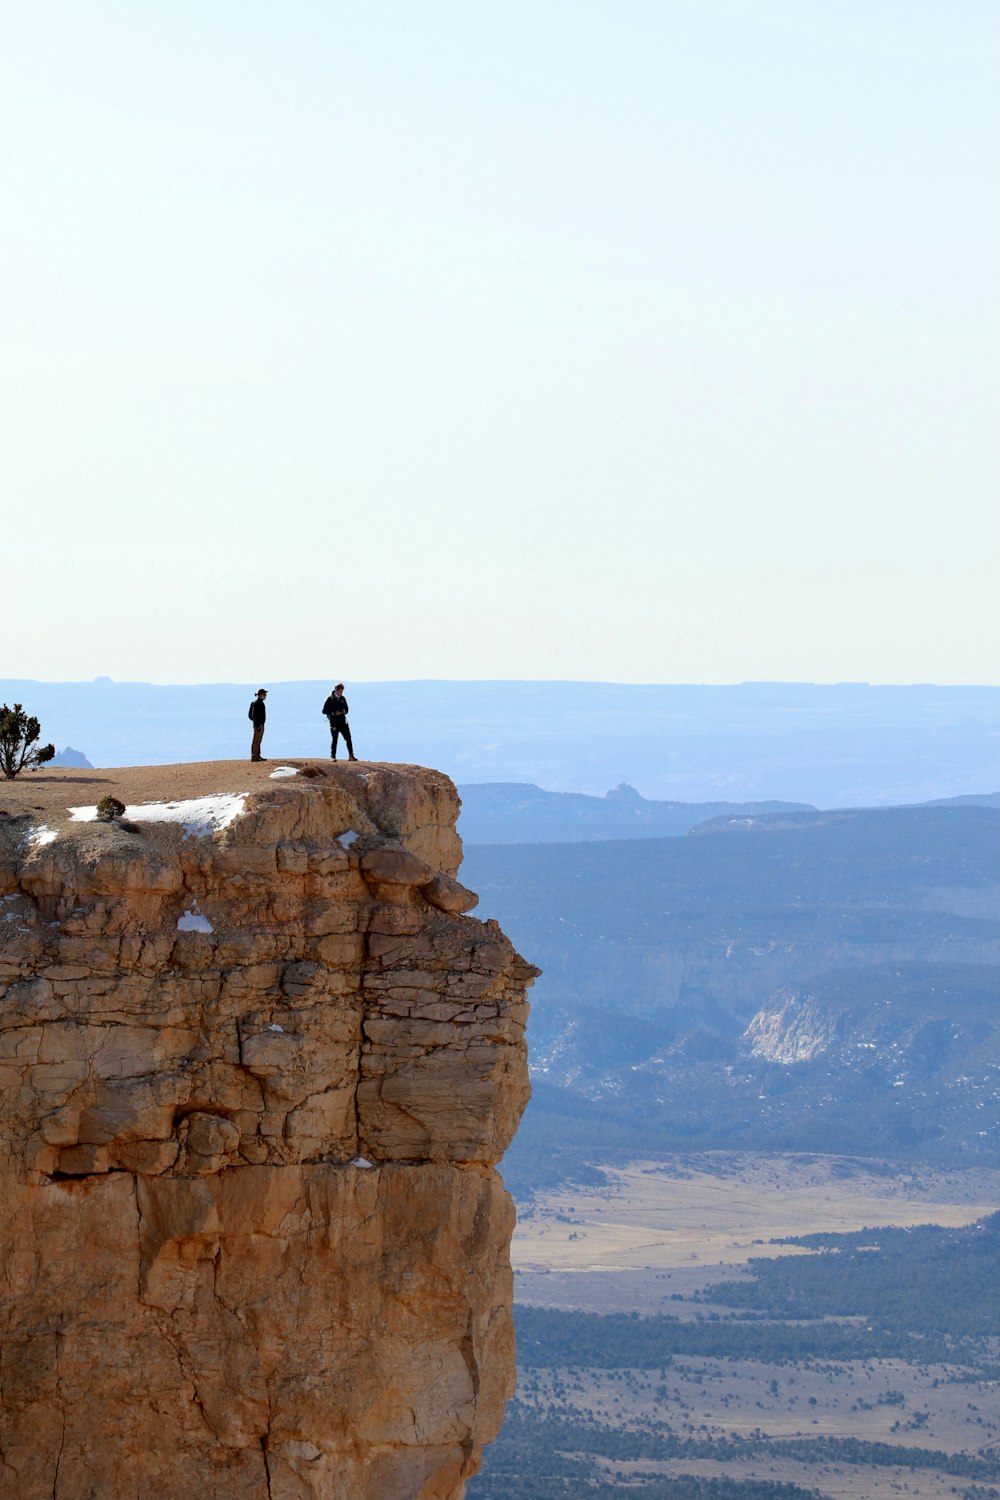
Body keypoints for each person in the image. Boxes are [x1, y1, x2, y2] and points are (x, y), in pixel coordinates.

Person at [321, 683, 356, 760]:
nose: (341, 693)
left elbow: (347, 709)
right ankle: (332, 756)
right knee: (335, 739)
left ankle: (351, 755)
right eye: (340, 691)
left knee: (348, 738)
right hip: (334, 722)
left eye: (342, 691)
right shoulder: (329, 699)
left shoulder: (342, 699)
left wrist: (343, 711)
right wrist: (333, 713)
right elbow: (324, 711)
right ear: (336, 690)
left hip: (343, 722)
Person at [248, 688, 268, 762]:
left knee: (258, 741)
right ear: (261, 695)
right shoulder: (257, 703)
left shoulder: (259, 703)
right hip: (258, 725)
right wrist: (257, 724)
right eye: (265, 694)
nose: (265, 696)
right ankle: (255, 757)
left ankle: (257, 756)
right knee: (256, 741)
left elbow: (251, 716)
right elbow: (254, 715)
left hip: (260, 724)